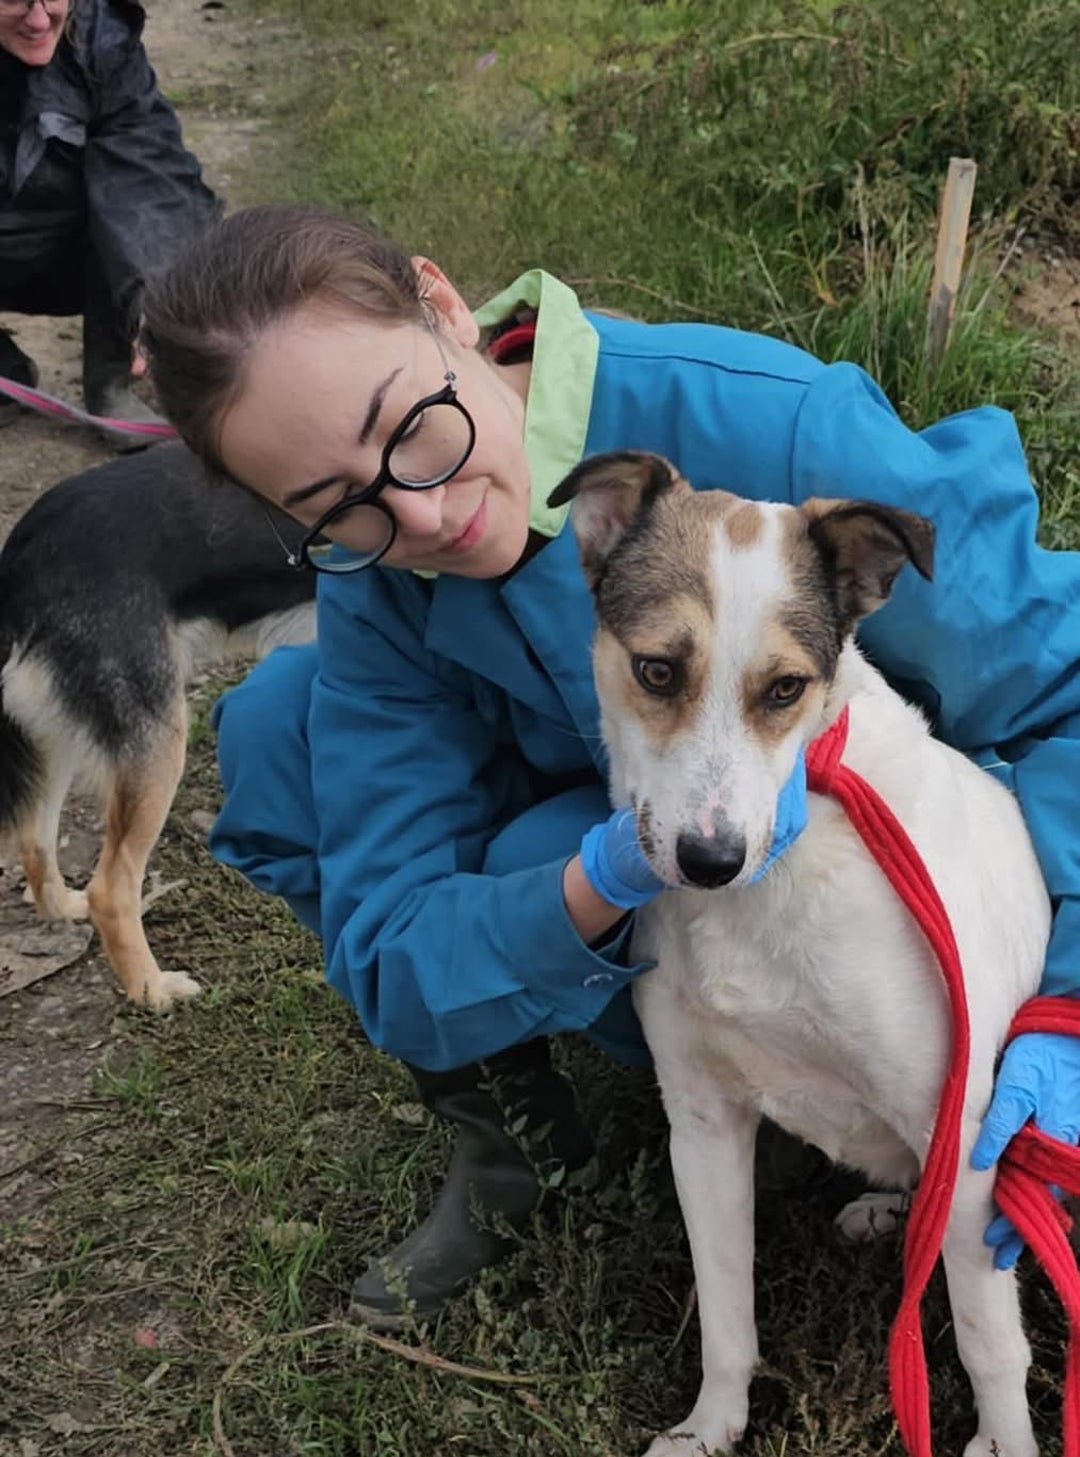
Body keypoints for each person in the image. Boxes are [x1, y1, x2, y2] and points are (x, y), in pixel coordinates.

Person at [140, 203, 1080, 1322]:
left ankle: (862, 1063)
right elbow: (390, 950)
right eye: (336, 505)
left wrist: (1066, 997)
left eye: (412, 426)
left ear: (444, 306)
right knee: (275, 730)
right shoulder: (376, 583)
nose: (423, 511)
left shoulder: (776, 427)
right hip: (649, 843)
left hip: (899, 865)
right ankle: (525, 1133)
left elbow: (1063, 682)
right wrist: (597, 877)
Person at [0, 0, 217, 433]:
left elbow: (151, 177)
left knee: (155, 220)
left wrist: (157, 299)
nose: (40, 19)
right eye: (15, 1)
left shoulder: (103, 39)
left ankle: (112, 377)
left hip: (67, 246)